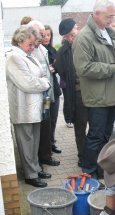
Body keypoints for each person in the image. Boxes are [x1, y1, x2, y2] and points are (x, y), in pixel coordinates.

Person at [72, 0, 115, 179]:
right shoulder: (84, 37)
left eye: (114, 15)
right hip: (97, 97)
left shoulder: (106, 32)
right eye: (110, 16)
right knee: (96, 136)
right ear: (96, 14)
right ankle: (88, 173)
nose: (113, 20)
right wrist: (114, 68)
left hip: (110, 94)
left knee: (105, 135)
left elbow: (109, 57)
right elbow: (84, 68)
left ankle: (100, 170)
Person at [6, 26, 50, 187]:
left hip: (34, 108)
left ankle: (36, 168)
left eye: (34, 44)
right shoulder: (14, 57)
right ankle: (30, 175)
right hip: (22, 108)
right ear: (19, 41)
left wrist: (42, 81)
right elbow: (28, 83)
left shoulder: (27, 55)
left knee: (34, 142)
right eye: (30, 44)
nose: (33, 47)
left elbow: (41, 74)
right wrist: (44, 83)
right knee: (26, 143)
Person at [54, 18, 88, 167]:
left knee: (96, 127)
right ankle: (82, 156)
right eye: (66, 36)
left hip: (94, 94)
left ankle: (95, 156)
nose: (69, 38)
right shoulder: (63, 51)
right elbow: (60, 70)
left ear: (77, 27)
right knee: (80, 127)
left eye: (71, 34)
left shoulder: (88, 43)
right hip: (78, 95)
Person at [28, 20, 60, 167]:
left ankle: (46, 155)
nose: (42, 37)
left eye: (44, 34)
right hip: (39, 96)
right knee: (40, 127)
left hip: (47, 95)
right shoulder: (30, 50)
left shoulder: (42, 48)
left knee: (47, 124)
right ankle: (41, 157)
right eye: (40, 34)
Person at [42, 25, 62, 154]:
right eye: (43, 35)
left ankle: (52, 142)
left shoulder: (53, 50)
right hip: (46, 95)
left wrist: (56, 68)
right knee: (46, 118)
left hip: (55, 91)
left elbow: (59, 68)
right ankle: (46, 145)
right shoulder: (38, 51)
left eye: (48, 35)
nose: (46, 38)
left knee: (54, 119)